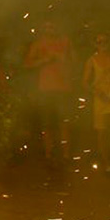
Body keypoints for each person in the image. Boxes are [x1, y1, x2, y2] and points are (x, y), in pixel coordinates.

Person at [24, 22, 74, 164]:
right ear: (42, 29)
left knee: (64, 122)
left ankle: (66, 155)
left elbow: (75, 60)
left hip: (64, 88)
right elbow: (27, 64)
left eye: (52, 26)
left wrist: (66, 60)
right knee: (47, 124)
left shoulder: (65, 41)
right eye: (46, 27)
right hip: (46, 89)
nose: (49, 29)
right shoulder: (38, 44)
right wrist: (44, 60)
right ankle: (49, 154)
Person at [83, 33, 110, 174]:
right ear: (95, 44)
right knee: (102, 135)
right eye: (99, 42)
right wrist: (98, 93)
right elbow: (84, 83)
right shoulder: (91, 61)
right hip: (101, 102)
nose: (103, 44)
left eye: (105, 41)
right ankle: (108, 165)